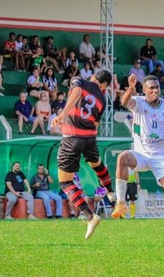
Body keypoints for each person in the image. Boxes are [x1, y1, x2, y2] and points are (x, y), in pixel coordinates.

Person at [112, 74, 164, 256]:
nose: (155, 90)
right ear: (144, 90)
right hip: (141, 154)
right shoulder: (138, 102)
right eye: (151, 88)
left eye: (157, 87)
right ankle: (121, 203)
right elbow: (124, 102)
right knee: (123, 157)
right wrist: (130, 88)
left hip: (161, 156)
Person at [51, 71, 113, 239]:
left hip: (72, 138)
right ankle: (110, 191)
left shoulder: (79, 81)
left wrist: (63, 114)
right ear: (104, 86)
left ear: (94, 76)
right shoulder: (103, 99)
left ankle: (90, 216)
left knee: (65, 182)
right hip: (90, 138)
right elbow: (96, 124)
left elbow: (77, 92)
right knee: (96, 163)